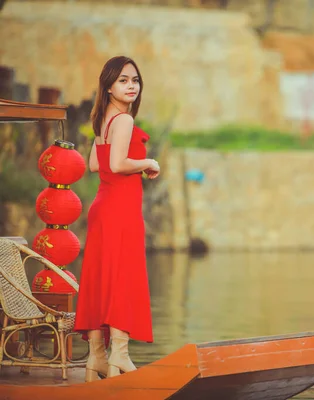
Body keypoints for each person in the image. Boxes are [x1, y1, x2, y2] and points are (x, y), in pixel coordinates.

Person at [73, 56, 160, 382]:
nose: (131, 86)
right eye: (123, 80)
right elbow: (120, 163)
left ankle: (98, 357)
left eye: (135, 80)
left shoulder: (102, 118)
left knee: (100, 279)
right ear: (108, 85)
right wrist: (149, 161)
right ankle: (119, 355)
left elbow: (96, 164)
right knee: (123, 278)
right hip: (121, 210)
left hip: (103, 207)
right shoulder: (122, 120)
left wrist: (130, 162)